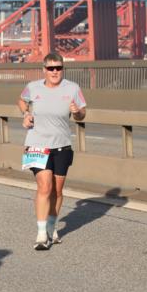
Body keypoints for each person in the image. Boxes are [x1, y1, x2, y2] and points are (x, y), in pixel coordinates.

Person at [17, 52, 87, 250]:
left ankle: (51, 227)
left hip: (62, 145)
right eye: (51, 68)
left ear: (63, 68)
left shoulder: (73, 88)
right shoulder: (33, 87)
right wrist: (26, 113)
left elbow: (82, 115)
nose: (55, 72)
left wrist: (77, 112)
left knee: (57, 190)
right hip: (37, 144)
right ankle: (41, 235)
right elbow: (21, 100)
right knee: (44, 187)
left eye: (58, 68)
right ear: (44, 70)